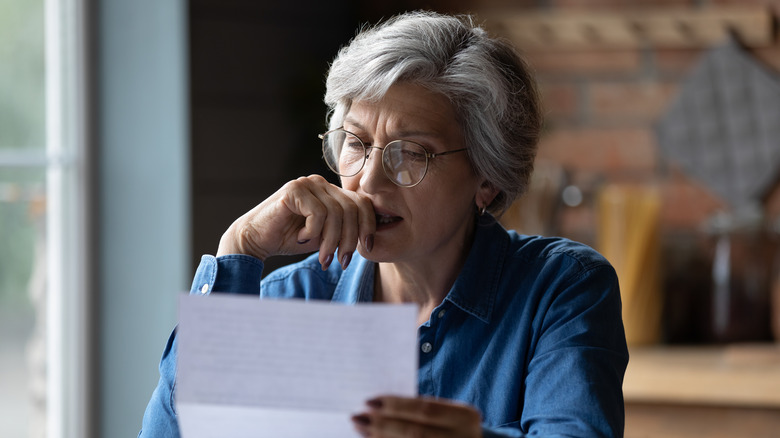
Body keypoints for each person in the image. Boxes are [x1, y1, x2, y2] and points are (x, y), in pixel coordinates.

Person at [140, 10, 628, 438]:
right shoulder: (294, 299)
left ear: (487, 178)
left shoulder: (561, 288)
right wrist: (239, 249)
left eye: (410, 153)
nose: (369, 181)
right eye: (355, 142)